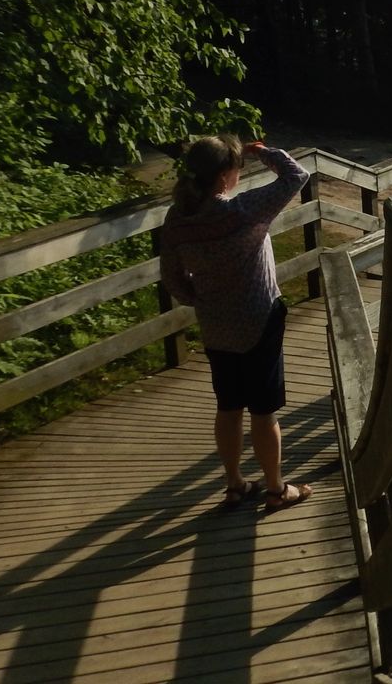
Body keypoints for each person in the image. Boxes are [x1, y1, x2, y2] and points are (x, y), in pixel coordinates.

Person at [159, 134, 315, 511]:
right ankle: (277, 490)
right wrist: (263, 152)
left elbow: (171, 276)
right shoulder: (242, 211)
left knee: (228, 408)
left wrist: (198, 301)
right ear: (226, 174)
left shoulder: (177, 219)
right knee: (264, 412)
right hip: (259, 320)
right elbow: (297, 175)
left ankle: (234, 484)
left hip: (216, 325)